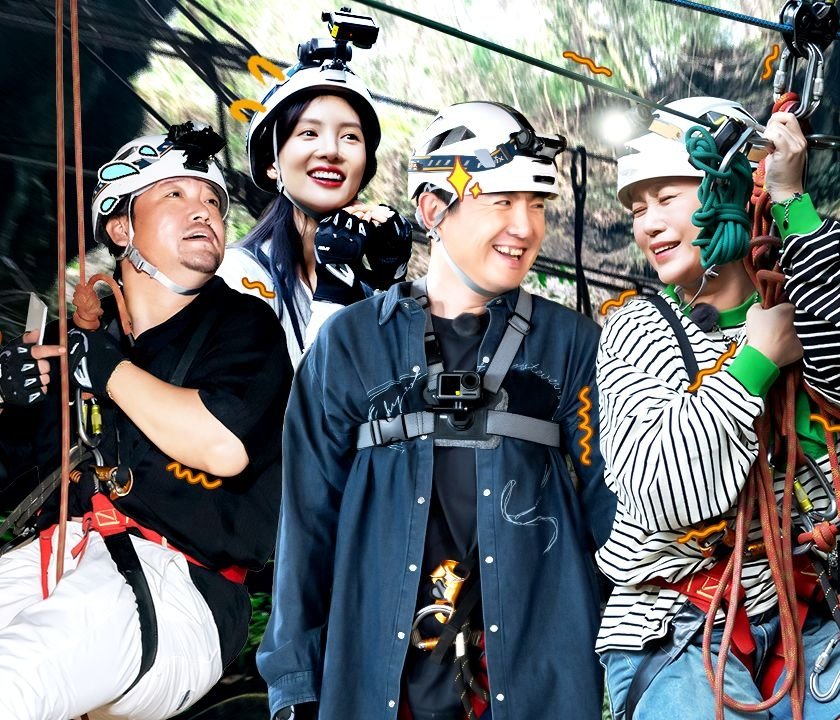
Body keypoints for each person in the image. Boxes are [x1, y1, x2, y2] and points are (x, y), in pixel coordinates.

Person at [257, 101, 615, 720]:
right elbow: (307, 524)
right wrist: (295, 684)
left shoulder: (572, 347)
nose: (525, 227)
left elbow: (611, 513)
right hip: (379, 690)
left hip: (535, 689)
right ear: (431, 210)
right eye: (500, 201)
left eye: (536, 204)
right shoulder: (352, 345)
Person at [594, 97, 840, 719]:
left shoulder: (802, 304)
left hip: (809, 614)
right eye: (638, 209)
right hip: (677, 622)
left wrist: (792, 200)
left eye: (667, 198)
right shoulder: (636, 328)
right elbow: (663, 491)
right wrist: (757, 361)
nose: (649, 224)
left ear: (737, 189)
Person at [0, 123, 291, 719]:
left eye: (213, 201)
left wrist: (103, 367)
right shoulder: (78, 343)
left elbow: (222, 444)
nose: (203, 211)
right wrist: (14, 406)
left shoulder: (243, 328)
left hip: (179, 586)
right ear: (121, 228)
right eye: (175, 194)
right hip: (56, 555)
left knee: (15, 680)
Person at [218, 15, 411, 365]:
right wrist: (334, 292)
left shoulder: (360, 282)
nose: (331, 150)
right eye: (309, 133)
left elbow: (397, 384)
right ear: (271, 163)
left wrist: (389, 284)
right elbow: (297, 397)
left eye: (350, 136)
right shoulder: (236, 277)